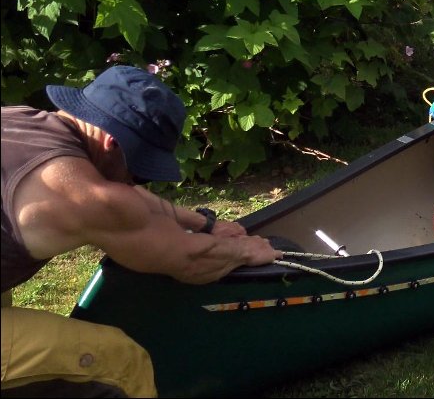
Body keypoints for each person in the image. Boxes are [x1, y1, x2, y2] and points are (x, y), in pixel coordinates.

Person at [1, 65, 282, 397]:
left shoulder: (20, 120)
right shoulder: (82, 194)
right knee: (120, 361)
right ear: (111, 144)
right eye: (139, 170)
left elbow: (123, 197)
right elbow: (189, 261)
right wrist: (249, 250)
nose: (133, 181)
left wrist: (204, 223)